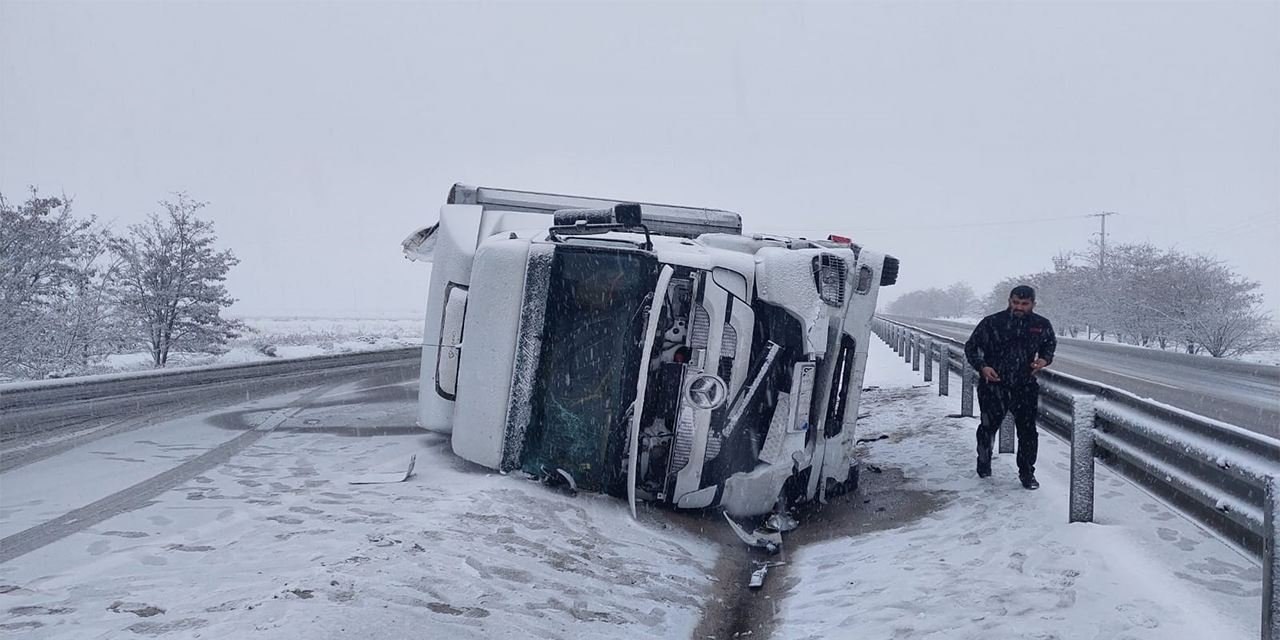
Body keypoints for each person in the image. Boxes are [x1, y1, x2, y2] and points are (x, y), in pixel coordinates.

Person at [963, 285, 1056, 489]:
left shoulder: (1040, 325)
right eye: (1015, 302)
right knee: (988, 427)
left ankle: (1027, 473)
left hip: (1024, 385)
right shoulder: (992, 322)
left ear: (1033, 304)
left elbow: (1049, 345)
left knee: (1028, 432)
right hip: (994, 384)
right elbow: (971, 347)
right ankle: (984, 462)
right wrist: (982, 367)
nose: (1019, 307)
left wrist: (1044, 360)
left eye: (1024, 304)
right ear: (1009, 300)